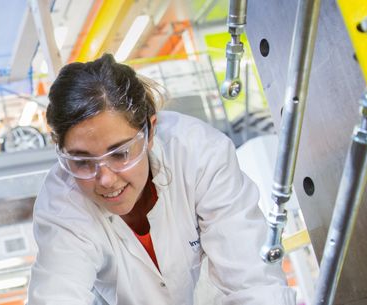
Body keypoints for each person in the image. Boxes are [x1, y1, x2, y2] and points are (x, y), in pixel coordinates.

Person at [26, 54, 295, 305]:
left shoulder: (198, 153)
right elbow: (56, 293)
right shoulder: (62, 205)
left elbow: (253, 282)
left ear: (150, 130)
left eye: (120, 153)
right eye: (82, 161)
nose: (105, 179)